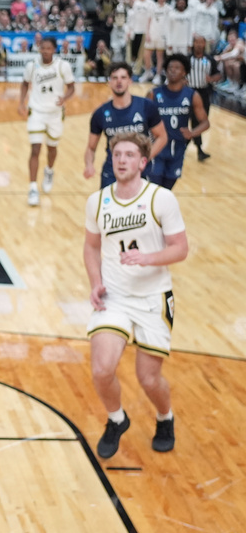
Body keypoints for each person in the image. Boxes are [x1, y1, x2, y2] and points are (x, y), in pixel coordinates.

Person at [83, 132, 188, 459]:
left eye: (129, 155)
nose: (122, 160)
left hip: (153, 298)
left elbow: (180, 249)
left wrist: (147, 258)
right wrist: (95, 281)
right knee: (102, 369)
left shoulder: (161, 199)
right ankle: (117, 419)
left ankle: (165, 417)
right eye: (117, 155)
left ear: (143, 162)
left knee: (148, 378)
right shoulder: (97, 201)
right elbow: (90, 246)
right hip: (114, 296)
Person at [84, 62, 166, 189]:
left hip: (141, 171)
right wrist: (89, 164)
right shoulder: (100, 113)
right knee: (109, 208)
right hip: (112, 172)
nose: (119, 81)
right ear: (109, 82)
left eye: (123, 77)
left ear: (130, 81)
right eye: (115, 78)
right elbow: (91, 147)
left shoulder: (146, 106)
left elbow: (162, 137)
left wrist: (145, 159)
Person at [18, 36, 75, 206]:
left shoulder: (62, 66)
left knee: (52, 148)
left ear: (54, 49)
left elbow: (72, 87)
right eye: (42, 48)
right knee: (35, 149)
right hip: (36, 111)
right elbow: (24, 84)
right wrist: (21, 102)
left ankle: (49, 170)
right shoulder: (32, 65)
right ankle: (33, 187)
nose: (45, 51)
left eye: (48, 48)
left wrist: (65, 97)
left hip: (55, 113)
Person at [146, 54, 209, 189]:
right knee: (153, 190)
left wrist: (192, 133)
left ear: (184, 72)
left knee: (167, 190)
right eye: (170, 68)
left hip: (178, 149)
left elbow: (205, 122)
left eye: (177, 68)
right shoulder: (154, 94)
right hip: (157, 148)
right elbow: (142, 121)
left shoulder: (192, 95)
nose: (173, 70)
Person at [186, 34, 221, 160]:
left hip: (204, 93)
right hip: (189, 93)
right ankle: (199, 148)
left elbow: (218, 74)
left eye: (201, 42)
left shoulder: (209, 59)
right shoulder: (187, 59)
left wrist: (211, 79)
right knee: (195, 120)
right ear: (193, 44)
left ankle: (188, 141)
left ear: (205, 44)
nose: (199, 45)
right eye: (197, 42)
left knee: (203, 120)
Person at [143, 0, 169, 83]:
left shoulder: (168, 8)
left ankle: (158, 75)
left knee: (159, 56)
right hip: (152, 34)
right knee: (146, 54)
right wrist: (147, 34)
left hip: (162, 36)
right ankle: (148, 72)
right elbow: (148, 21)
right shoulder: (152, 7)